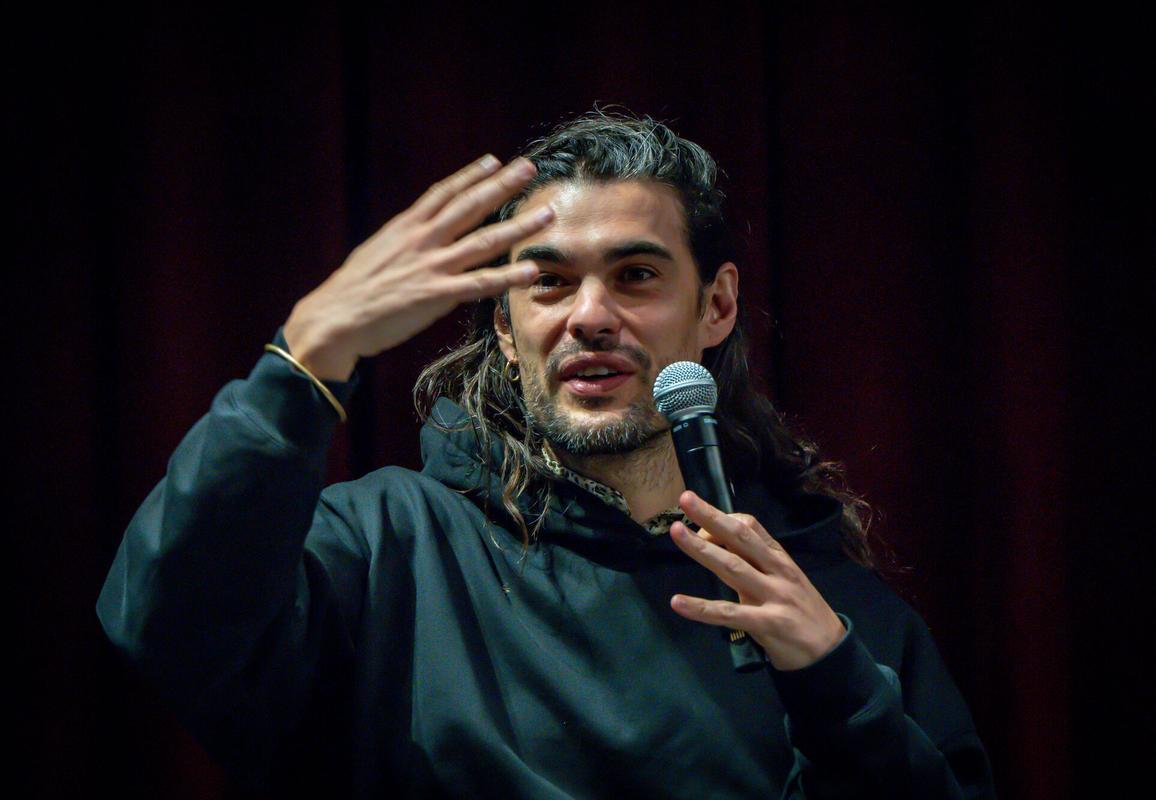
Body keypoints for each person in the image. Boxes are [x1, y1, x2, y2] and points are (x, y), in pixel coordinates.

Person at [98, 111, 995, 798]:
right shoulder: (386, 549)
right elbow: (165, 621)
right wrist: (302, 362)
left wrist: (840, 691)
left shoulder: (829, 609)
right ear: (505, 323)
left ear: (716, 307)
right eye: (548, 282)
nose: (590, 315)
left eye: (636, 275)